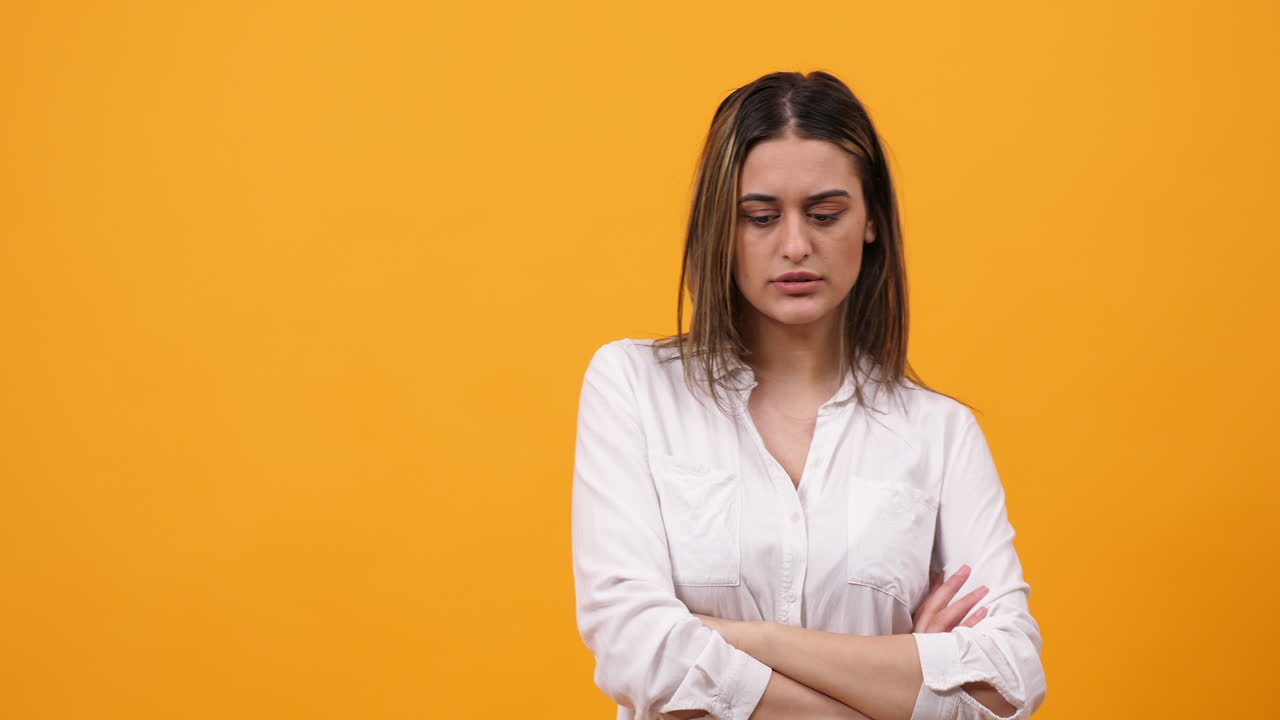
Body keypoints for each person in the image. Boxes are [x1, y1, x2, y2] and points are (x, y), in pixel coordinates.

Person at [570, 70, 1047, 720]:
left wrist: (738, 637)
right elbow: (634, 648)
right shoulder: (633, 387)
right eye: (760, 217)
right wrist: (901, 674)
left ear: (871, 220)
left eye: (825, 214)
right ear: (720, 228)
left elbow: (1012, 678)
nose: (795, 245)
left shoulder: (941, 435)